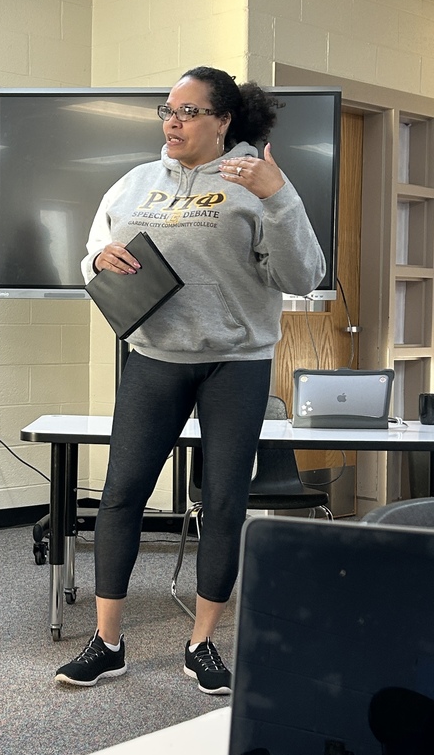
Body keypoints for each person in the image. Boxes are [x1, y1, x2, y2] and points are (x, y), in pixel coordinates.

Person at [54, 66, 325, 696]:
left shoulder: (257, 184)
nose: (172, 122)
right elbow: (93, 251)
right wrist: (96, 259)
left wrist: (280, 194)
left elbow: (303, 276)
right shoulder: (135, 183)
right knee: (121, 496)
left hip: (237, 362)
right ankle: (108, 642)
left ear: (223, 121)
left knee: (224, 503)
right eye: (166, 111)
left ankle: (202, 644)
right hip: (154, 357)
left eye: (188, 111)